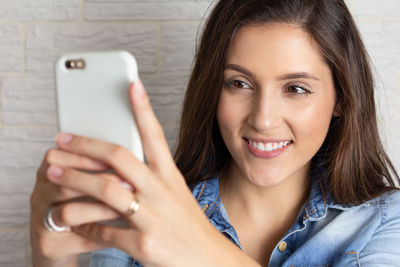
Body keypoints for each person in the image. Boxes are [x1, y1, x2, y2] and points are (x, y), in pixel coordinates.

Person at [30, 0, 400, 266]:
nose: (264, 119)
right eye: (239, 83)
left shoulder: (384, 222)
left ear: (341, 98)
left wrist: (199, 248)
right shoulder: (143, 214)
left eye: (296, 89)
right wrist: (51, 261)